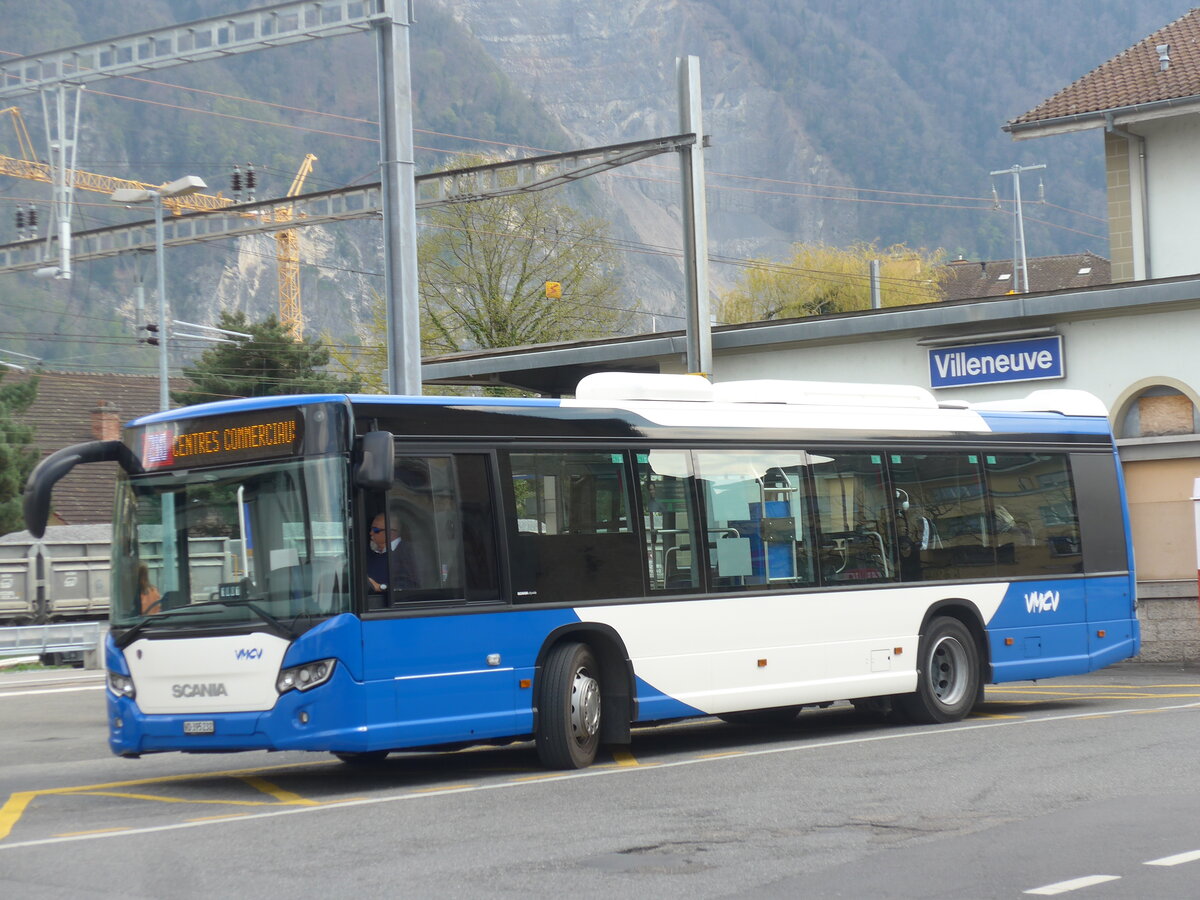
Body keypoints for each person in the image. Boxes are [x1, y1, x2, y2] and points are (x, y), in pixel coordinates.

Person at [367, 513, 416, 592]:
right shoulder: (371, 555)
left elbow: (412, 585)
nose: (371, 533)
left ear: (391, 533)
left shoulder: (409, 552)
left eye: (375, 530)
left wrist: (380, 587)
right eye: (371, 529)